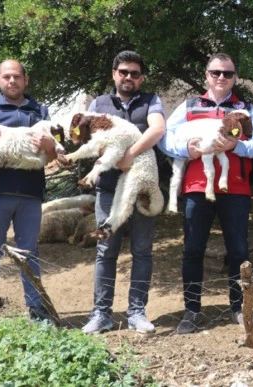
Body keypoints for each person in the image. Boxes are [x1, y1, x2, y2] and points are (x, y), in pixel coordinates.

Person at [158, 53, 253, 334]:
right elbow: (165, 138)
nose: (221, 78)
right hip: (195, 188)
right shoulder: (189, 106)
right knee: (193, 249)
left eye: (227, 74)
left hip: (236, 189)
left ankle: (240, 309)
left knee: (239, 251)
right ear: (206, 75)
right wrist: (186, 151)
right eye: (215, 72)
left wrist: (236, 148)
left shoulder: (246, 108)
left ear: (234, 78)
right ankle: (192, 311)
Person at [81, 50, 166, 334]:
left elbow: (157, 130)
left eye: (134, 73)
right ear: (114, 74)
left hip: (142, 189)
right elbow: (92, 137)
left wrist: (130, 154)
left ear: (141, 78)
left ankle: (137, 313)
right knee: (106, 250)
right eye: (123, 72)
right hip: (108, 190)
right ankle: (101, 314)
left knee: (142, 251)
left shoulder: (151, 101)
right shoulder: (99, 103)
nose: (128, 77)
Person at [0, 59, 57, 322]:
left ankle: (37, 310)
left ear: (25, 80)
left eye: (17, 77)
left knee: (29, 252)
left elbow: (53, 157)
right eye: (6, 77)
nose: (12, 81)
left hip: (30, 194)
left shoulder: (40, 111)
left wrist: (48, 144)